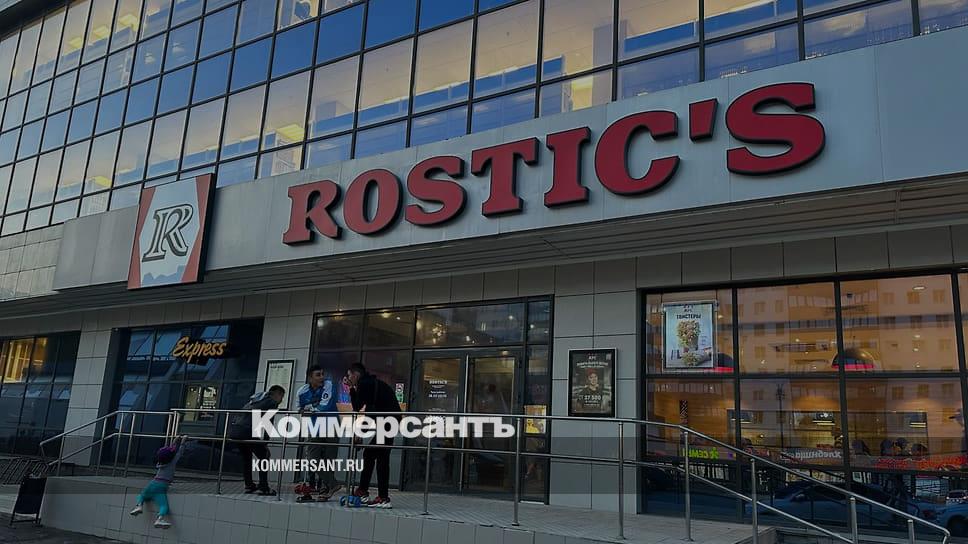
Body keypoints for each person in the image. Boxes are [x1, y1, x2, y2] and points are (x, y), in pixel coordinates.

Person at [345, 362, 401, 508]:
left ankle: (380, 496)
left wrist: (351, 389)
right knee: (374, 455)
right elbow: (369, 410)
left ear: (356, 375)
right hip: (389, 421)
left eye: (349, 375)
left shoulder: (364, 384)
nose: (348, 378)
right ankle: (366, 491)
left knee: (379, 457)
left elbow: (357, 407)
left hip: (388, 422)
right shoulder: (370, 383)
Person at [228, 385, 285, 495]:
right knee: (264, 456)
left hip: (235, 430)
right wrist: (265, 443)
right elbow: (268, 424)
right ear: (276, 394)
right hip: (247, 431)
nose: (281, 400)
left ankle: (249, 485)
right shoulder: (272, 402)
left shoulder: (256, 399)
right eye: (281, 396)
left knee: (247, 457)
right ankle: (264, 487)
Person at [296, 364, 342, 501]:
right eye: (318, 375)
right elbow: (299, 409)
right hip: (314, 427)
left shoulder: (329, 385)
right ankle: (333, 484)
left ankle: (326, 490)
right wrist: (307, 410)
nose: (322, 377)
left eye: (322, 374)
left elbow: (324, 406)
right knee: (312, 459)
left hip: (331, 425)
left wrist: (309, 408)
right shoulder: (302, 391)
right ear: (310, 378)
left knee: (329, 460)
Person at [129, 435, 188, 529]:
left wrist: (174, 441)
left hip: (153, 483)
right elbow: (179, 452)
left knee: (142, 495)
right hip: (162, 486)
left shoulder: (160, 463)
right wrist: (183, 442)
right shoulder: (172, 462)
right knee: (164, 505)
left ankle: (139, 506)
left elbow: (168, 452)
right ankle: (159, 519)